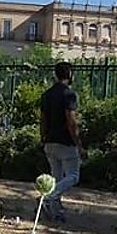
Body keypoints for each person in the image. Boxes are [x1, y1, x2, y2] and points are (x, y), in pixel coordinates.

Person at [40, 61, 81, 221]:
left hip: (50, 141)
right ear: (70, 75)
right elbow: (71, 121)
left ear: (55, 75)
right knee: (73, 176)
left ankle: (55, 210)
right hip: (66, 142)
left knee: (56, 177)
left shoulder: (47, 94)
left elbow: (42, 120)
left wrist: (42, 138)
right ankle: (48, 199)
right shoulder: (69, 95)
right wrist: (79, 144)